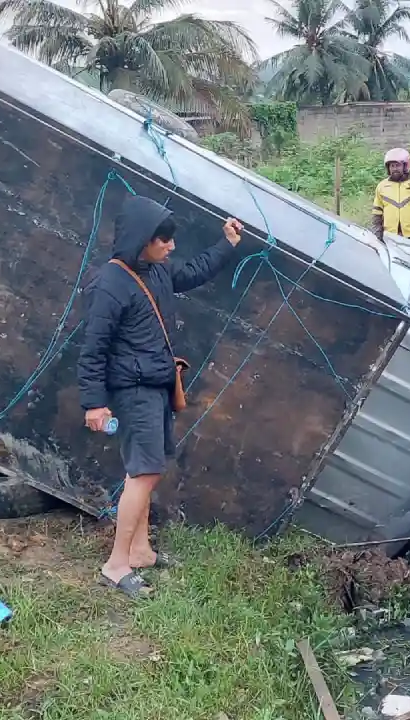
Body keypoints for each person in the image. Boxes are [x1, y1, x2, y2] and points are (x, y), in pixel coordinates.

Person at [77, 195, 243, 598]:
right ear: (141, 239)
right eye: (163, 239)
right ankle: (116, 566)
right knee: (144, 472)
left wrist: (226, 244)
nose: (171, 246)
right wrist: (94, 403)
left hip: (156, 386)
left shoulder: (157, 270)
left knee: (147, 470)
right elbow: (92, 348)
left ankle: (140, 551)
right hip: (133, 391)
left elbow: (194, 272)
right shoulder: (111, 284)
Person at [371, 148, 410, 243]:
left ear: (405, 166)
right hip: (389, 236)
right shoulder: (382, 186)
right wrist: (378, 236)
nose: (394, 169)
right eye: (392, 166)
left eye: (398, 165)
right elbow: (377, 215)